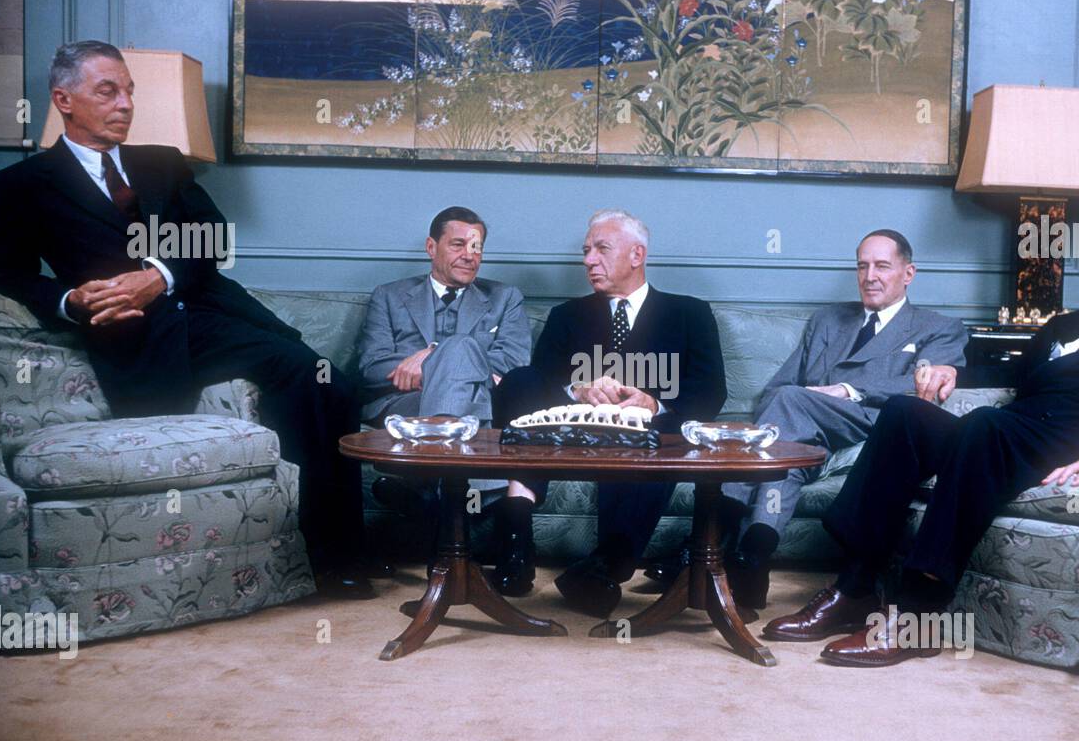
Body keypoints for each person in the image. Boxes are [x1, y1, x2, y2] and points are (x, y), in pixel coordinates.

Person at [0, 40, 371, 598]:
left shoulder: (161, 162)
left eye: (130, 91)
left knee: (334, 382)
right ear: (64, 99)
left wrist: (158, 275)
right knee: (304, 374)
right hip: (137, 335)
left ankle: (348, 550)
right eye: (107, 91)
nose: (125, 104)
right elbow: (7, 273)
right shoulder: (24, 183)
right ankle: (329, 559)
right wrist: (72, 301)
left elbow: (213, 238)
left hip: (210, 309)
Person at [764, 218, 1079, 666]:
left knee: (986, 426)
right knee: (905, 412)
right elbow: (1010, 376)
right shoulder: (1071, 324)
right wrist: (954, 371)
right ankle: (854, 588)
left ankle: (918, 614)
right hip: (1005, 436)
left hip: (1068, 445)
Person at [649, 229, 967, 609]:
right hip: (804, 429)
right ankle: (753, 560)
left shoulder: (939, 328)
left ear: (908, 273)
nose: (870, 276)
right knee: (784, 460)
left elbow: (923, 389)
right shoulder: (828, 320)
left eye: (882, 266)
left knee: (789, 404)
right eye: (862, 266)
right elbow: (779, 388)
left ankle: (707, 540)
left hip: (875, 423)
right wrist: (799, 403)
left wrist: (848, 391)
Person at [490, 209, 727, 614]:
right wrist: (577, 389)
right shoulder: (567, 315)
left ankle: (602, 566)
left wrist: (654, 402)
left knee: (654, 436)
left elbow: (711, 391)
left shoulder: (690, 313)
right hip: (570, 433)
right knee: (519, 381)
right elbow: (540, 382)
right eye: (586, 251)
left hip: (646, 434)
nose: (587, 260)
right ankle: (515, 542)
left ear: (637, 255)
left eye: (601, 249)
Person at [357, 206, 530, 426]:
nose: (469, 256)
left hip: (480, 402)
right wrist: (446, 366)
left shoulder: (505, 298)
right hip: (406, 403)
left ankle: (440, 452)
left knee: (462, 357)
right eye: (458, 245)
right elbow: (373, 367)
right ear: (431, 247)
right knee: (466, 401)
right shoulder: (388, 296)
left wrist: (432, 355)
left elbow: (513, 364)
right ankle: (457, 451)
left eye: (476, 247)